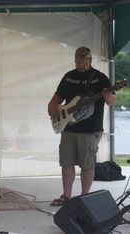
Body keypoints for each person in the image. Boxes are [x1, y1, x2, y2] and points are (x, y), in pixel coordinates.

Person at [48, 47, 117, 206]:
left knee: (87, 164)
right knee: (66, 163)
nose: (80, 65)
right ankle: (66, 196)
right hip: (68, 128)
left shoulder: (100, 78)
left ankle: (84, 197)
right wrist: (52, 105)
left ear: (90, 60)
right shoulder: (69, 76)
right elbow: (58, 96)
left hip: (90, 130)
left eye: (83, 62)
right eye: (77, 61)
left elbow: (112, 101)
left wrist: (108, 96)